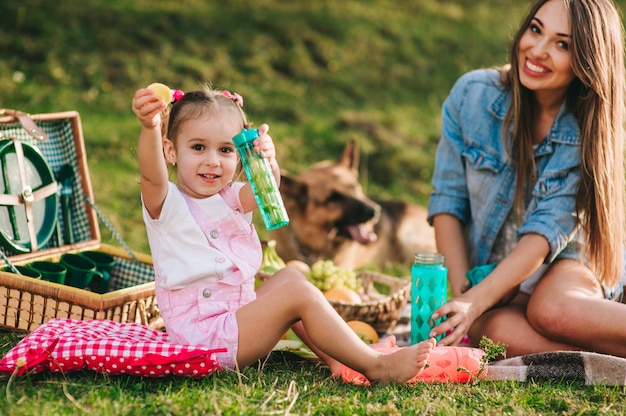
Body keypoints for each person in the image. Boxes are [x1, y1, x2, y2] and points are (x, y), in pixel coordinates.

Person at [131, 85, 435, 384]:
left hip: (233, 321)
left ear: (239, 154)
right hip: (204, 341)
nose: (213, 160)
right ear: (170, 150)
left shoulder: (231, 197)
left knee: (290, 278)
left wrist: (268, 161)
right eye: (198, 147)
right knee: (296, 294)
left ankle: (340, 361)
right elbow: (150, 173)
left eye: (225, 150)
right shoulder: (166, 204)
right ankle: (376, 366)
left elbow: (267, 188)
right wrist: (150, 127)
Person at [427, 0, 626, 358]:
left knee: (550, 310)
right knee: (493, 332)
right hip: (495, 273)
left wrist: (475, 301)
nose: (537, 50)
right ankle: (611, 352)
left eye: (562, 44)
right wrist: (464, 299)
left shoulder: (584, 131)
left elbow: (545, 233)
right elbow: (447, 201)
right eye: (535, 29)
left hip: (567, 257)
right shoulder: (472, 97)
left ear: (588, 62)